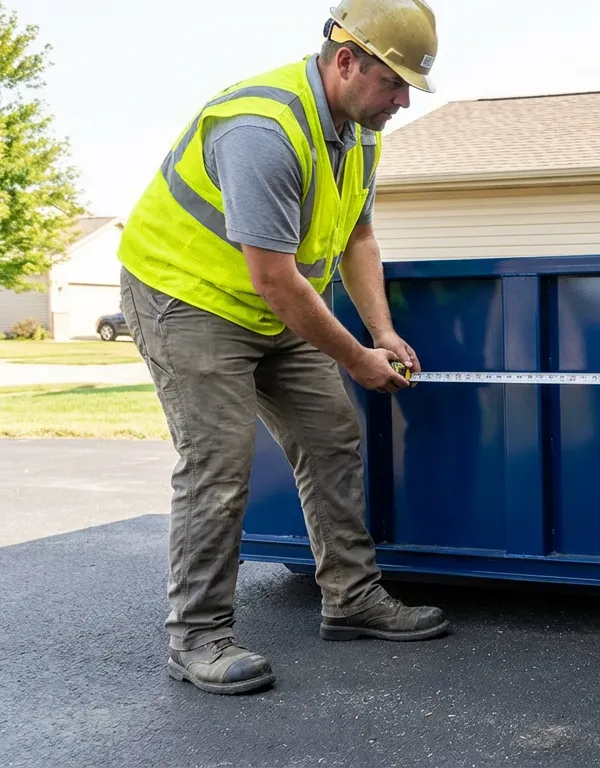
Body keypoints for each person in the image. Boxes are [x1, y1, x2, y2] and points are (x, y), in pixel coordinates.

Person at [116, 0, 448, 696]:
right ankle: (197, 636)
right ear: (346, 61)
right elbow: (273, 276)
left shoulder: (359, 134)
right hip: (188, 299)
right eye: (394, 83)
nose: (402, 101)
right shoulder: (261, 129)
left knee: (331, 434)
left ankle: (351, 598)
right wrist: (355, 358)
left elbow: (358, 237)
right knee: (218, 463)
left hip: (273, 307)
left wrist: (382, 332)